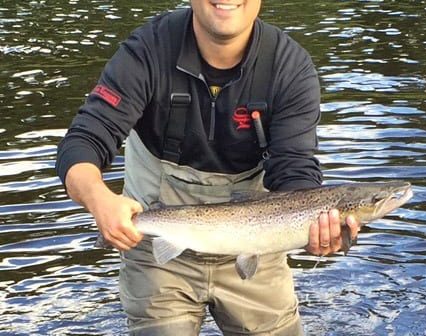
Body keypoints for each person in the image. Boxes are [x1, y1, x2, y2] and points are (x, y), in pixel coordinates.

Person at [56, 1, 359, 335]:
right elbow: (83, 140)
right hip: (158, 254)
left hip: (257, 249)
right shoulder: (146, 51)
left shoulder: (290, 67)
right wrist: (99, 199)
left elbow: (295, 170)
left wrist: (318, 229)